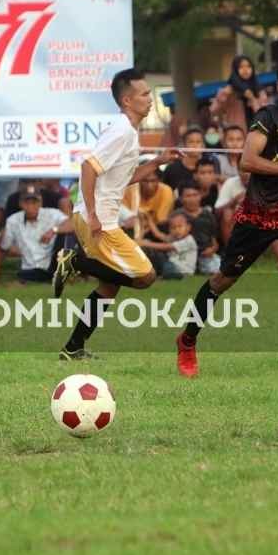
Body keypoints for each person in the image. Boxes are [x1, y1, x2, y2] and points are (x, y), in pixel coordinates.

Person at [175, 52, 278, 377]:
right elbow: (248, 162)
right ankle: (187, 340)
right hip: (259, 215)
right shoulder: (268, 117)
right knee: (221, 281)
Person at [51, 68, 164, 361]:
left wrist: (157, 163)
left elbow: (120, 178)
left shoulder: (129, 132)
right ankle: (75, 260)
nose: (149, 99)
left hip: (99, 216)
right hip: (99, 219)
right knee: (145, 276)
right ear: (127, 101)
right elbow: (88, 167)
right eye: (143, 94)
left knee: (110, 285)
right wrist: (92, 213)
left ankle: (73, 347)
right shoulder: (123, 131)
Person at [1, 184, 69, 283]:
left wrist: (53, 230)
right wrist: (14, 249)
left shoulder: (52, 214)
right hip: (29, 267)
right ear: (20, 203)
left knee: (68, 236)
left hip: (52, 263)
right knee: (26, 274)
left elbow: (73, 224)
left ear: (40, 202)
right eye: (27, 202)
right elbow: (5, 246)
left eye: (34, 202)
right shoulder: (13, 220)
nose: (30, 206)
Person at [210, 55, 269, 131]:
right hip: (236, 137)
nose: (245, 70)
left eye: (248, 66)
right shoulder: (230, 92)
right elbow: (214, 111)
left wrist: (252, 98)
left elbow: (265, 117)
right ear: (235, 70)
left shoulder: (259, 91)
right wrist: (224, 94)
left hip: (256, 135)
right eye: (241, 67)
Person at [176, 183, 220, 275]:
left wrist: (212, 249)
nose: (192, 199)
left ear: (200, 196)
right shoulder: (176, 216)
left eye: (195, 195)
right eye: (188, 196)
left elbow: (214, 241)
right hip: (184, 254)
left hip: (206, 254)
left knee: (220, 269)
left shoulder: (208, 215)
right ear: (181, 199)